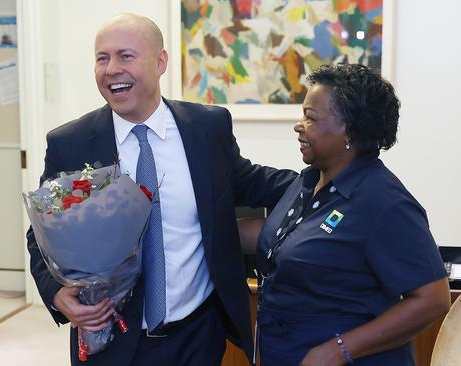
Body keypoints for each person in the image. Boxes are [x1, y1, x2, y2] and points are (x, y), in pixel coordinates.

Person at [26, 13, 296, 366]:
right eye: (102, 58)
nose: (111, 69)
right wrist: (56, 293)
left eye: (125, 56)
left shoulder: (206, 128)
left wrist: (329, 180)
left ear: (160, 62)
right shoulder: (72, 143)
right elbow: (43, 234)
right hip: (112, 339)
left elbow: (252, 182)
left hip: (198, 335)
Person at [252, 64, 451, 365]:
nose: (299, 125)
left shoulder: (384, 201)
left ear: (350, 130)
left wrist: (339, 349)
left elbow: (433, 300)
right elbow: (280, 237)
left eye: (311, 118)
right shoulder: (308, 182)